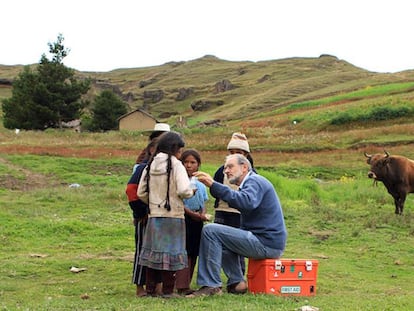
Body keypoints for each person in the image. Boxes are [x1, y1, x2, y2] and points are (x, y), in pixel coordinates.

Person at [188, 153, 287, 297]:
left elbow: (246, 202)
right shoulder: (250, 183)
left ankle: (211, 285)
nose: (226, 171)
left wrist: (214, 185)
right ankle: (237, 283)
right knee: (223, 238)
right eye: (225, 168)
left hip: (266, 242)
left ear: (245, 167)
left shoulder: (255, 181)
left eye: (230, 166)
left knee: (210, 230)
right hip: (266, 241)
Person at [137, 131, 194, 298]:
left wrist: (154, 202)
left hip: (155, 215)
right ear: (174, 148)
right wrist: (191, 192)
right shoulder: (176, 165)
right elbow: (184, 189)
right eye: (180, 150)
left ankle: (150, 289)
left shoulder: (151, 164)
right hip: (173, 216)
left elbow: (141, 192)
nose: (180, 154)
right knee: (171, 254)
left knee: (154, 253)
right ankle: (168, 291)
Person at [213, 132, 255, 276]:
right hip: (222, 211)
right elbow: (214, 188)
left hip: (240, 214)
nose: (235, 155)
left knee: (239, 244)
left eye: (239, 152)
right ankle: (221, 273)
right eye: (232, 152)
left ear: (246, 155)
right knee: (221, 244)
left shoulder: (251, 175)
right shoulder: (221, 171)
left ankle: (239, 274)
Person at [125, 139, 159, 297]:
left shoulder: (165, 167)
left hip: (160, 217)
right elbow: (132, 191)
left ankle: (155, 286)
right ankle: (140, 287)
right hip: (145, 217)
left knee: (159, 252)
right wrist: (141, 213)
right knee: (142, 251)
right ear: (152, 150)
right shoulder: (143, 168)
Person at [175, 149, 210, 295]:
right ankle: (181, 285)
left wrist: (202, 214)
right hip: (184, 219)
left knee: (194, 251)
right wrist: (194, 215)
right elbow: (179, 204)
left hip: (197, 221)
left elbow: (203, 202)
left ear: (198, 165)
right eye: (186, 162)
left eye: (192, 162)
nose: (189, 165)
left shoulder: (200, 184)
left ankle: (187, 282)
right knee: (184, 251)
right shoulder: (179, 182)